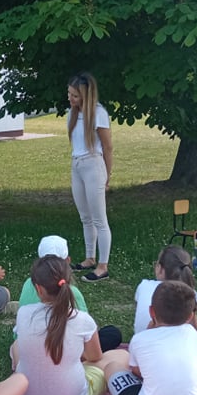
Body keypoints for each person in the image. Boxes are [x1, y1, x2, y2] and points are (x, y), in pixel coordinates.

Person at [11, 256, 124, 395]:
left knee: (16, 345)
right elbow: (95, 357)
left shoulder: (23, 313)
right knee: (121, 356)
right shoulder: (82, 319)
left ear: (38, 289)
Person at [106, 281, 197, 395]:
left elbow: (137, 372)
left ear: (151, 311)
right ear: (190, 316)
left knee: (112, 367)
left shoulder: (140, 339)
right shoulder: (191, 333)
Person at [18, 235, 122, 351]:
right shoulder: (72, 292)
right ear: (67, 260)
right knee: (112, 334)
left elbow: (18, 333)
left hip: (32, 345)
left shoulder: (28, 285)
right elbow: (84, 329)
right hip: (66, 348)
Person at [67, 72, 113, 282]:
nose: (70, 98)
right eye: (69, 94)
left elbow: (108, 147)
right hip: (77, 164)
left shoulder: (98, 113)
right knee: (85, 217)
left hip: (94, 165)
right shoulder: (73, 113)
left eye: (75, 95)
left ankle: (103, 266)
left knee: (99, 219)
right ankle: (89, 258)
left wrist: (107, 176)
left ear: (86, 95)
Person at [133, 245, 197, 336]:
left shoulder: (144, 285)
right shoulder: (188, 292)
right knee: (190, 311)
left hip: (141, 339)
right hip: (175, 341)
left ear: (160, 269)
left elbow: (138, 306)